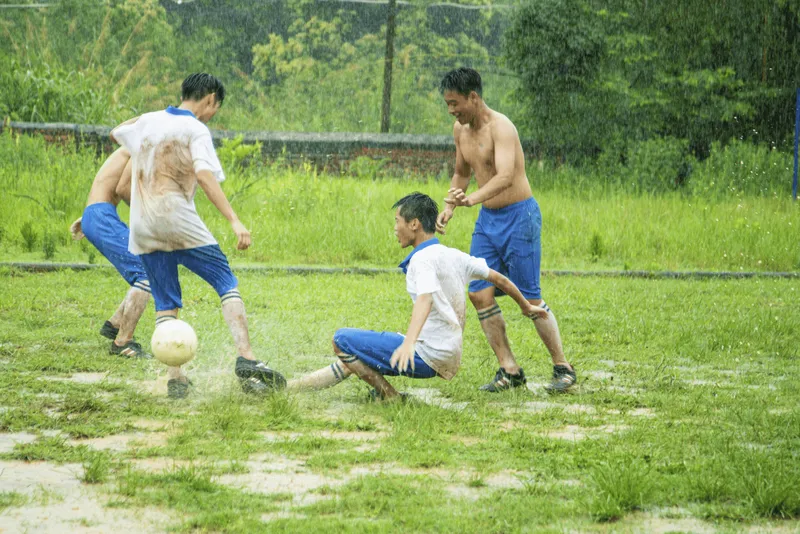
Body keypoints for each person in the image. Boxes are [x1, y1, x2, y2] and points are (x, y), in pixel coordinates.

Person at [110, 72, 285, 399]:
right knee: (225, 280)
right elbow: (204, 175)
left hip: (143, 224)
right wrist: (234, 220)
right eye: (215, 106)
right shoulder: (195, 129)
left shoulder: (148, 121)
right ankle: (246, 359)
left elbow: (116, 132)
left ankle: (176, 379)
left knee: (166, 303)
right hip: (177, 218)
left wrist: (154, 116)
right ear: (209, 99)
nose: (213, 113)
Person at [287, 192, 548, 400]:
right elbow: (499, 279)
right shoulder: (453, 255)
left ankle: (391, 397)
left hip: (426, 356)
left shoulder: (421, 260)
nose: (395, 228)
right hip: (449, 354)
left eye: (397, 221)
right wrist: (525, 306)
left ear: (414, 224)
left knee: (341, 340)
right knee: (355, 359)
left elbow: (425, 299)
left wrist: (409, 343)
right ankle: (289, 389)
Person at [436, 67, 577, 393]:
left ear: (474, 96)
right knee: (478, 291)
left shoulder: (502, 128)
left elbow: (505, 176)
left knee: (529, 297)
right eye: (447, 104)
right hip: (488, 222)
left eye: (455, 103)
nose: (451, 110)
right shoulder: (460, 131)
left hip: (520, 218)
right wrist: (450, 205)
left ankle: (563, 367)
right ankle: (509, 370)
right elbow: (460, 173)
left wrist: (471, 199)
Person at [69, 149, 151, 359]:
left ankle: (114, 324)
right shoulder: (142, 143)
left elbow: (106, 184)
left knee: (148, 268)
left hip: (98, 214)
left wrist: (91, 219)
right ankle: (122, 342)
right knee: (145, 276)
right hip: (100, 216)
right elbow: (123, 189)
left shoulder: (135, 142)